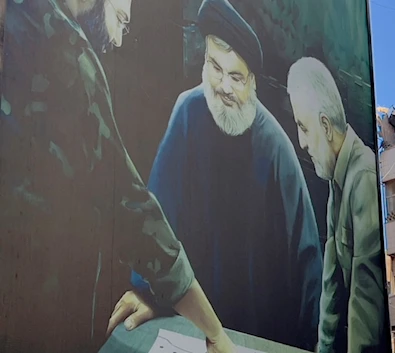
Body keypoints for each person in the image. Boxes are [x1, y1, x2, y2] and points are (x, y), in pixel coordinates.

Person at [0, 0, 233, 352]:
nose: (119, 41)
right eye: (120, 20)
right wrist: (215, 333)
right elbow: (130, 208)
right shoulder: (65, 53)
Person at [116, 0, 324, 350]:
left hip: (257, 337)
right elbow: (157, 218)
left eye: (236, 76)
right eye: (215, 67)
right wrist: (147, 292)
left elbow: (308, 270)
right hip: (187, 327)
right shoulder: (187, 113)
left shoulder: (276, 149)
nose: (224, 86)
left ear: (253, 82)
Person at [286, 57, 388, 353]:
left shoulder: (363, 177)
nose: (301, 143)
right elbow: (331, 282)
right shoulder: (337, 180)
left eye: (303, 128)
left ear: (325, 127)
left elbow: (365, 298)